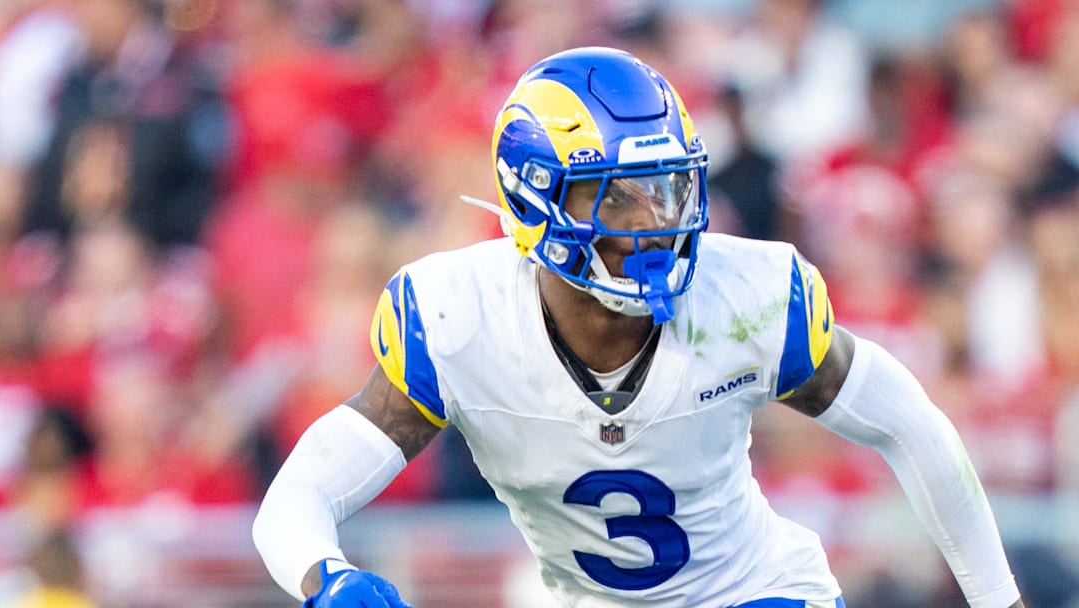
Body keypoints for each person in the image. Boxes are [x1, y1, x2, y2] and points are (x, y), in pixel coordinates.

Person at [252, 47, 1025, 608]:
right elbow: (298, 498)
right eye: (615, 196)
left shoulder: (749, 296)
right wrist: (330, 578)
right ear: (535, 200)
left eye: (666, 189)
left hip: (753, 594)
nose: (655, 222)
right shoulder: (459, 319)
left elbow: (913, 426)